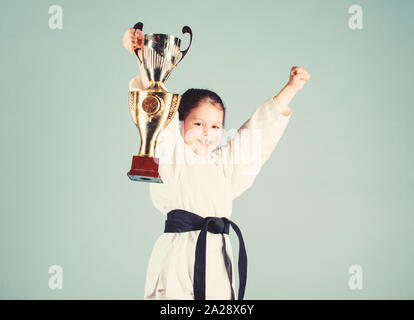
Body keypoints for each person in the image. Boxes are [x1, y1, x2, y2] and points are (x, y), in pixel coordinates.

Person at [123, 28, 311, 300]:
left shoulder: (223, 164)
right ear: (179, 123)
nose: (207, 132)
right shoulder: (171, 151)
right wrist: (143, 62)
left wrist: (291, 89)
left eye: (215, 126)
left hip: (219, 254)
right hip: (178, 255)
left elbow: (257, 135)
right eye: (198, 124)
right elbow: (154, 113)